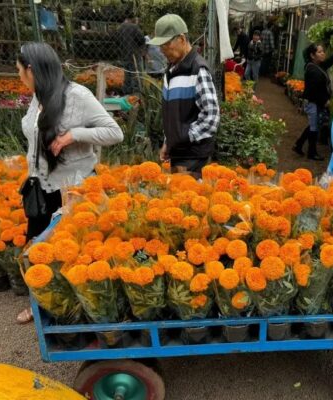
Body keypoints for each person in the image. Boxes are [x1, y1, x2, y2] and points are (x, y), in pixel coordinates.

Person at [16, 43, 124, 323]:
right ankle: (42, 306)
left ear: (32, 70)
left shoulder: (77, 95)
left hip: (73, 192)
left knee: (75, 253)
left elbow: (114, 132)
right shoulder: (38, 96)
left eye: (20, 71)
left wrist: (72, 135)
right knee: (37, 251)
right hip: (40, 188)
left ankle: (84, 311)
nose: (19, 77)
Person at [148, 14, 220, 177]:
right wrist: (169, 142)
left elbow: (211, 117)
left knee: (185, 198)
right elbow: (173, 115)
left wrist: (183, 137)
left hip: (193, 156)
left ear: (181, 39)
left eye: (165, 45)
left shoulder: (197, 70)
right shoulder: (171, 71)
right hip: (179, 151)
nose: (162, 50)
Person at [293, 43, 333, 161]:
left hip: (315, 102)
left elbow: (328, 62)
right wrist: (325, 101)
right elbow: (314, 90)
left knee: (313, 125)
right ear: (312, 55)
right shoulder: (312, 70)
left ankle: (299, 145)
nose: (323, 53)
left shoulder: (317, 66)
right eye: (319, 52)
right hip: (313, 102)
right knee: (314, 127)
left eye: (323, 51)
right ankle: (311, 152)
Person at [115, 16, 146, 94]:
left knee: (127, 74)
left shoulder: (120, 28)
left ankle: (127, 92)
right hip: (134, 55)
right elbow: (142, 39)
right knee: (136, 74)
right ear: (134, 18)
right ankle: (137, 93)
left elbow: (116, 42)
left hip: (124, 55)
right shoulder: (134, 27)